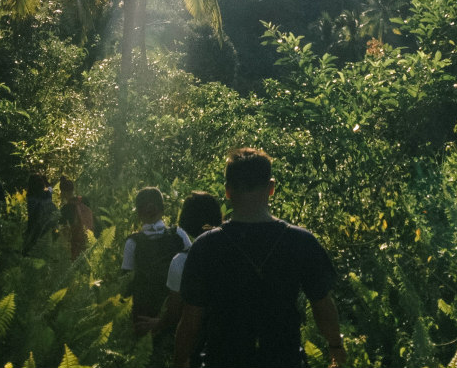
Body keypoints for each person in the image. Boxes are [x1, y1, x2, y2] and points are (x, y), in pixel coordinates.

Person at [174, 148, 346, 368]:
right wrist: (335, 347)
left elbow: (190, 319)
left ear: (227, 191)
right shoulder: (300, 241)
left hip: (224, 359)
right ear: (271, 188)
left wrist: (180, 361)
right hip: (284, 359)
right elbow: (323, 304)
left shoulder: (206, 246)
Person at [136, 191, 223, 362]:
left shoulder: (181, 261)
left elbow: (174, 313)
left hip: (196, 345)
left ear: (185, 220)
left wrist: (158, 324)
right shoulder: (231, 254)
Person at [123, 187, 192, 366]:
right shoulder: (178, 234)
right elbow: (192, 270)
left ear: (138, 213)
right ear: (163, 210)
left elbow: (126, 282)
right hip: (175, 312)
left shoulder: (132, 242)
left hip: (142, 314)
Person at [58, 176, 95, 260]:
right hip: (90, 236)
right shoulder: (84, 200)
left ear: (63, 193)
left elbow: (62, 229)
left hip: (76, 242)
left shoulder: (65, 209)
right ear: (73, 189)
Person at [22, 172, 57, 256]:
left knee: (30, 241)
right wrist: (46, 182)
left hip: (33, 222)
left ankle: (25, 254)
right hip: (46, 223)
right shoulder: (46, 194)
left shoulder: (30, 196)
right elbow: (50, 189)